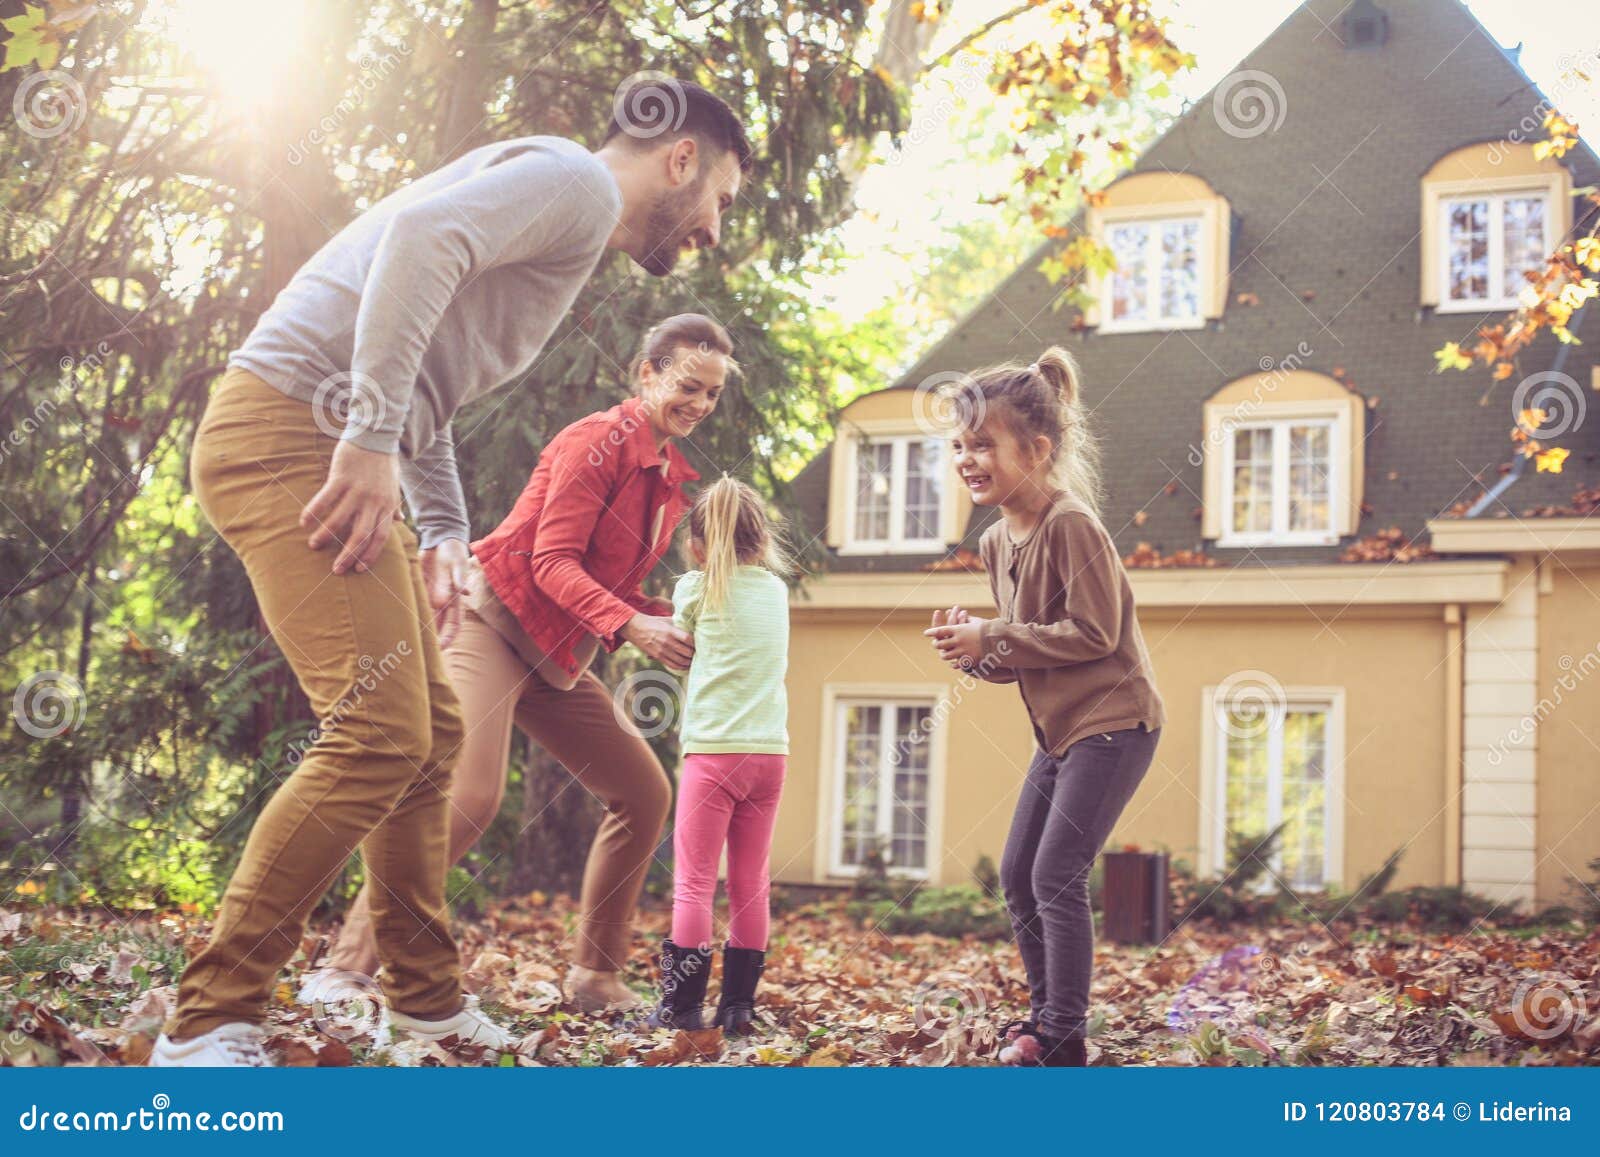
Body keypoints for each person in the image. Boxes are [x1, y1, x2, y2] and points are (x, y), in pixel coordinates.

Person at [152, 78, 752, 1066]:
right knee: (380, 730)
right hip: (291, 431)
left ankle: (424, 1003)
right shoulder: (576, 183)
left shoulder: (558, 203)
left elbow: (422, 354)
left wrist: (442, 525)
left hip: (324, 432)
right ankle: (210, 1018)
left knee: (427, 732)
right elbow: (418, 242)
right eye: (720, 199)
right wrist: (366, 435)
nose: (713, 229)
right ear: (679, 159)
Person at [299, 315, 732, 1016]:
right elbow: (550, 561)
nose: (700, 404)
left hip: (554, 657)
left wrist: (670, 618)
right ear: (647, 373)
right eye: (689, 385)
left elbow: (610, 582)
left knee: (644, 793)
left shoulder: (668, 476)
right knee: (470, 795)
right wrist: (630, 624)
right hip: (492, 622)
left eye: (712, 394)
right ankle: (344, 969)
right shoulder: (597, 442)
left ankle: (595, 975)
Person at [922, 348, 1165, 1068]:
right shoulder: (997, 541)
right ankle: (1041, 1018)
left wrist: (994, 633)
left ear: (1037, 449)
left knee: (1055, 871)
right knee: (1017, 872)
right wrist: (977, 652)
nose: (968, 459)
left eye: (983, 444)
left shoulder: (1072, 525)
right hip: (1060, 732)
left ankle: (1063, 1034)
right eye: (959, 446)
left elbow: (1096, 635)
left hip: (1115, 723)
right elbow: (1032, 651)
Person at [640, 477, 791, 1033]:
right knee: (750, 881)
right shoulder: (775, 591)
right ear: (761, 540)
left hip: (712, 753)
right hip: (770, 755)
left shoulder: (696, 589)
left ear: (699, 547)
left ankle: (680, 1009)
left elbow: (680, 650)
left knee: (694, 884)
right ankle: (738, 1009)